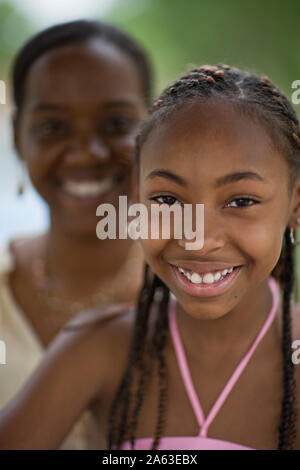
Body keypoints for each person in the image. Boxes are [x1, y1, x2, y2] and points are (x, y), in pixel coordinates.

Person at [1, 63, 300, 451]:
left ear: (295, 203)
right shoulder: (98, 347)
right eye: (167, 200)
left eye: (241, 201)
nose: (198, 240)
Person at [0, 19, 152, 449]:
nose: (87, 152)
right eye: (54, 127)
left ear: (156, 128)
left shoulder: (208, 293)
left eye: (115, 124)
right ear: (17, 139)